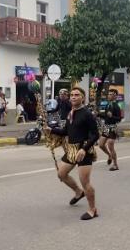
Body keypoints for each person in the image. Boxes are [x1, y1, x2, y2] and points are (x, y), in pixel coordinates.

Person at [46, 87, 100, 220]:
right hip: (71, 150)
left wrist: (84, 149)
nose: (73, 97)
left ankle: (93, 209)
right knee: (61, 174)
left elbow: (95, 134)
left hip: (84, 151)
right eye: (72, 95)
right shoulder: (71, 113)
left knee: (85, 182)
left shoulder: (87, 114)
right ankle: (78, 192)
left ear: (83, 98)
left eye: (77, 95)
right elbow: (66, 131)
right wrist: (51, 130)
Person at [99, 89, 122, 171]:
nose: (109, 95)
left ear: (115, 96)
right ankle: (109, 155)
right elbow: (106, 116)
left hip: (112, 128)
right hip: (106, 127)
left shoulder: (116, 106)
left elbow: (119, 119)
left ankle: (115, 165)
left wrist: (112, 116)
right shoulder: (108, 105)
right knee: (101, 145)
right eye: (109, 94)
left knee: (110, 145)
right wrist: (97, 114)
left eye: (111, 94)